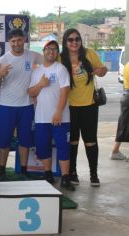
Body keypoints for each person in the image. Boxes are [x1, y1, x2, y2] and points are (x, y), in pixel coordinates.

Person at [0, 28, 43, 181]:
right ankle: (2, 169)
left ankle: (24, 169)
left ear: (24, 40)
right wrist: (0, 75)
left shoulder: (32, 55)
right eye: (13, 41)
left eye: (19, 40)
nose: (16, 44)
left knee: (25, 140)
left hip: (26, 106)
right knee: (4, 140)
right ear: (9, 42)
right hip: (6, 106)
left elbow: (48, 61)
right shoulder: (2, 60)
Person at [60, 28, 107, 187]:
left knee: (90, 141)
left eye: (77, 39)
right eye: (70, 40)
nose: (74, 42)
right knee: (72, 142)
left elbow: (103, 70)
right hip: (69, 107)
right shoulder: (61, 59)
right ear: (65, 42)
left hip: (89, 106)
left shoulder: (90, 54)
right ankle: (72, 172)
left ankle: (93, 174)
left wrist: (101, 71)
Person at [28, 40, 75, 191]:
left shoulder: (60, 69)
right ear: (44, 51)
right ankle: (47, 173)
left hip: (61, 117)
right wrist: (41, 84)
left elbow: (65, 91)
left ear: (57, 52)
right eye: (48, 49)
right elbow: (31, 93)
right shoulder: (37, 72)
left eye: (54, 49)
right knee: (43, 146)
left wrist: (58, 112)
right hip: (41, 118)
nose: (51, 52)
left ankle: (65, 178)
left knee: (63, 147)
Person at [109, 61, 129, 161]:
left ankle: (115, 151)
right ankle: (115, 151)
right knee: (123, 126)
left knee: (123, 125)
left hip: (126, 97)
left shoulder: (127, 64)